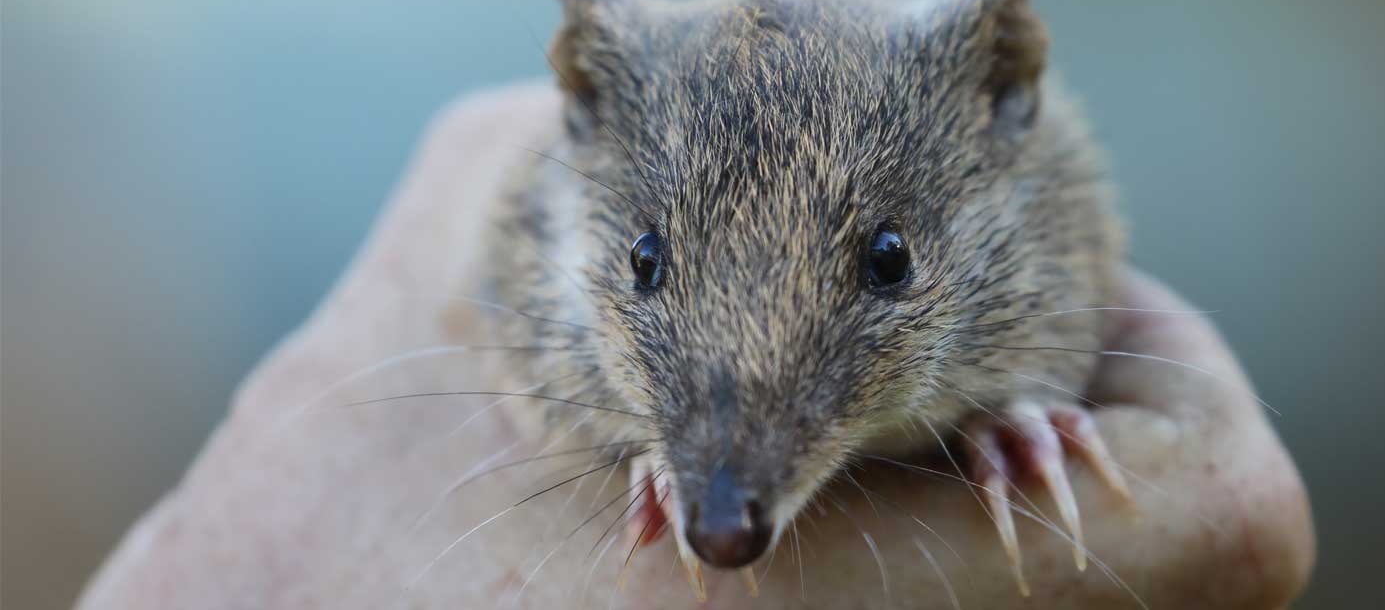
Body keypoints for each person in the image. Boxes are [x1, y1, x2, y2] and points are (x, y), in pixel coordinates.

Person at [76, 84, 1314, 609]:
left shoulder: (1014, 207)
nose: (736, 511)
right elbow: (530, 332)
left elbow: (1069, 257)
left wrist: (1024, 403)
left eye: (885, 267)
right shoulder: (551, 253)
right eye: (652, 273)